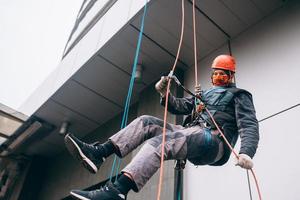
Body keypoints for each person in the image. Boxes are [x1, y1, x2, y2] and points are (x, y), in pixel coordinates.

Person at [65, 55, 259, 200]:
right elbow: (179, 106)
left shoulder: (239, 95)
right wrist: (164, 92)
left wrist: (247, 152)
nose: (217, 78)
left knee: (163, 141)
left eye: (222, 75)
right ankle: (99, 153)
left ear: (231, 77)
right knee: (146, 122)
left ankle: (117, 192)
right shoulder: (204, 96)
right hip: (191, 134)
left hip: (213, 141)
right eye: (215, 74)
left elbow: (248, 124)